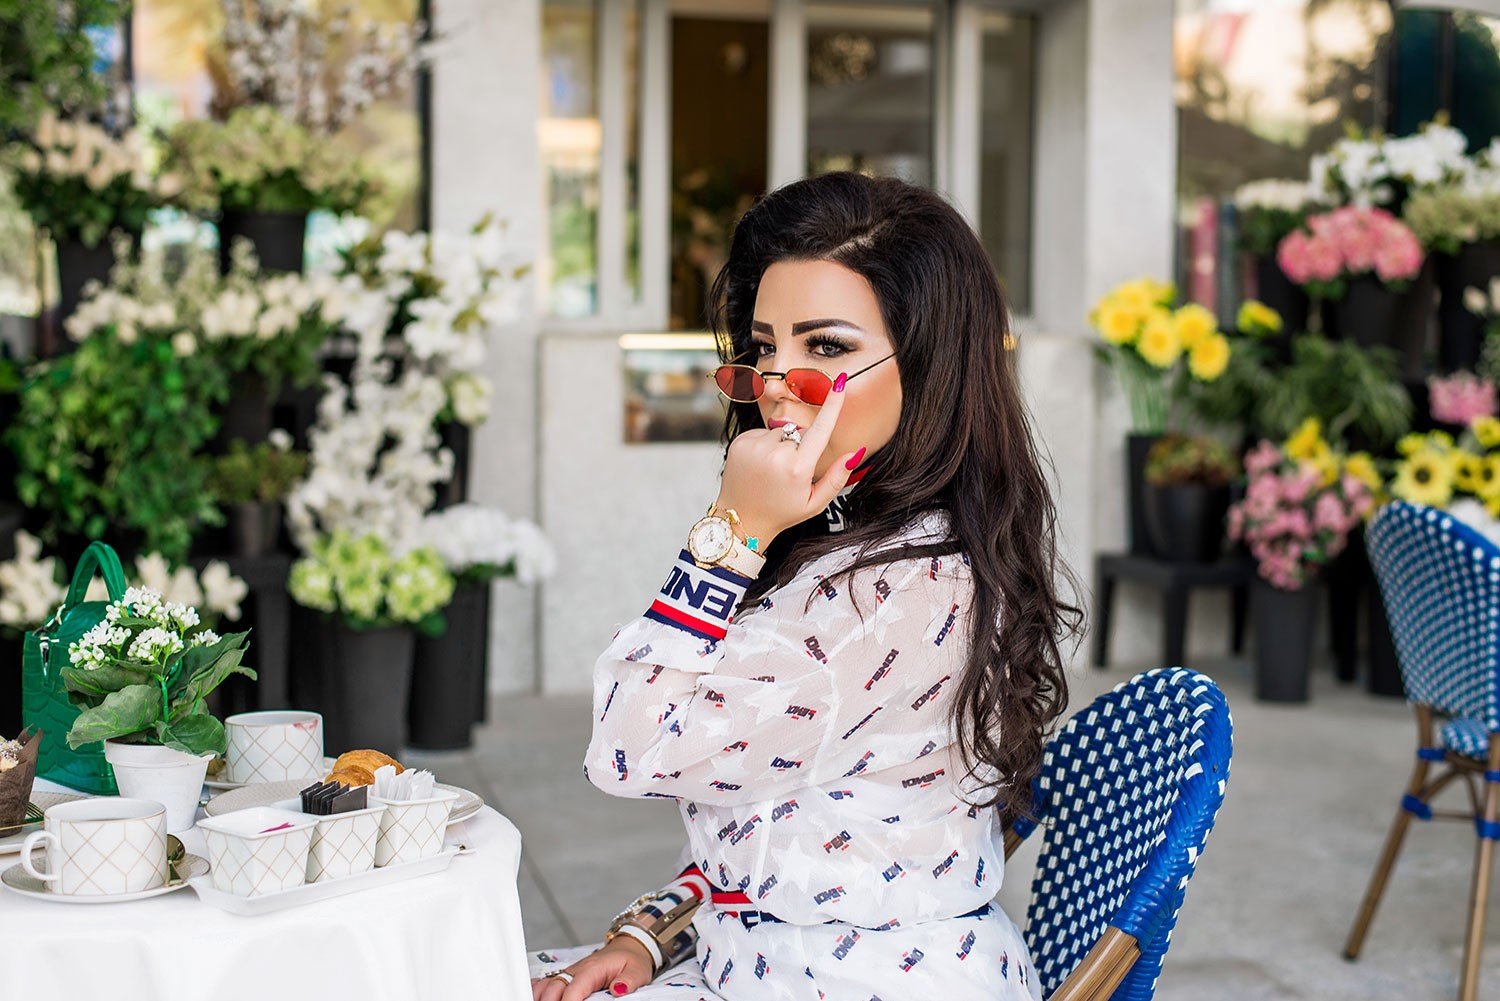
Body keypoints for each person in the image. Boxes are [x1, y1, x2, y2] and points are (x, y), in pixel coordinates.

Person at [530, 170, 1082, 1001]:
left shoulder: (893, 597)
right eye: (762, 347)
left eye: (826, 347)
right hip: (754, 958)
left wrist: (730, 532)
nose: (780, 382)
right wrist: (654, 930)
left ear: (929, 365)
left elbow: (624, 749)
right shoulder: (886, 543)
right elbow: (786, 820)